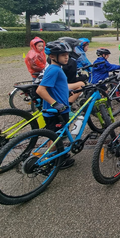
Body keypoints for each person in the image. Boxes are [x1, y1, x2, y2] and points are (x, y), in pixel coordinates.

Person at [36, 41, 76, 169]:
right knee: (55, 137)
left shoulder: (57, 68)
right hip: (56, 111)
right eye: (63, 55)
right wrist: (55, 104)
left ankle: (57, 157)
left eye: (67, 55)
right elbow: (40, 90)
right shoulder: (53, 69)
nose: (66, 57)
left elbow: (57, 87)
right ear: (53, 56)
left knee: (55, 135)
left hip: (59, 109)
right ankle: (53, 161)